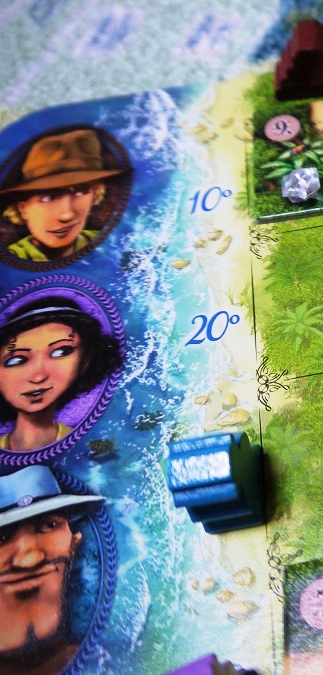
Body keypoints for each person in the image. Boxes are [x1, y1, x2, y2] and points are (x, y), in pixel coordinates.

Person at [0, 465, 104, 675]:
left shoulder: (107, 659)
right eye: (2, 537)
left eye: (48, 525)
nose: (29, 560)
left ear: (73, 545)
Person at [0, 296, 122, 452]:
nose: (38, 377)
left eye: (61, 352)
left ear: (85, 361)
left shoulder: (81, 451)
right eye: (16, 360)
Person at [0, 129, 128, 262]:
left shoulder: (112, 246)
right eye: (48, 198)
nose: (67, 215)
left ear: (95, 195)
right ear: (22, 209)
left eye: (81, 192)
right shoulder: (9, 261)